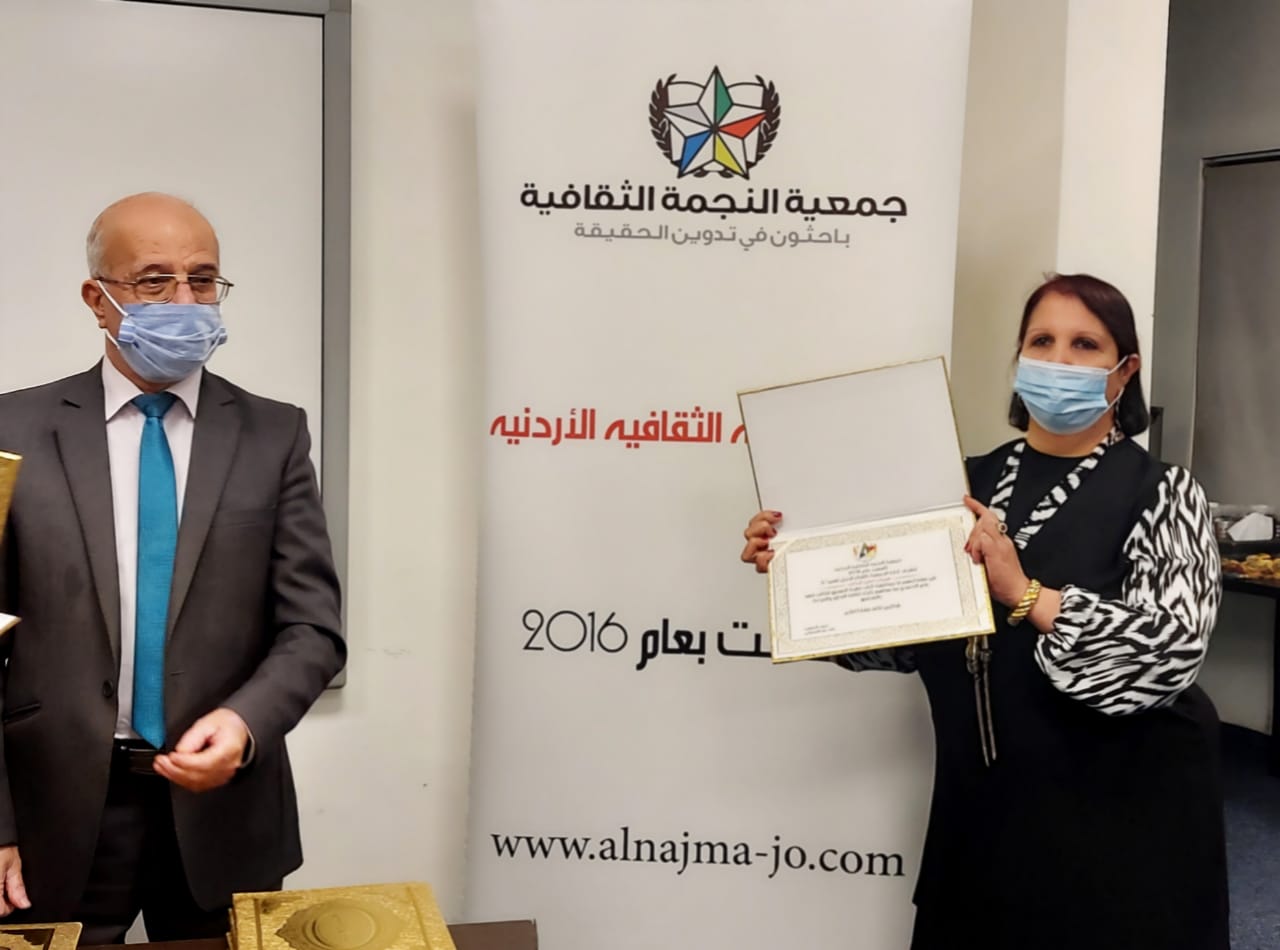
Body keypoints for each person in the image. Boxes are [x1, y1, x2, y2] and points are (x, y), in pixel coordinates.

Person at [740, 273, 1228, 950]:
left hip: (1125, 816)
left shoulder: (1164, 492)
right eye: (1041, 341)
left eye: (1085, 344)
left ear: (1124, 373)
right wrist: (804, 571)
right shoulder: (954, 483)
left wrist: (1024, 594)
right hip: (983, 811)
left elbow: (1169, 651)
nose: (1059, 360)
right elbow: (899, 639)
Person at [0, 193, 346, 942]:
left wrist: (245, 723)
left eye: (203, 279)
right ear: (97, 298)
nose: (185, 302)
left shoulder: (274, 435)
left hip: (226, 813)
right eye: (154, 281)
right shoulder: (11, 429)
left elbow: (313, 629)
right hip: (49, 813)